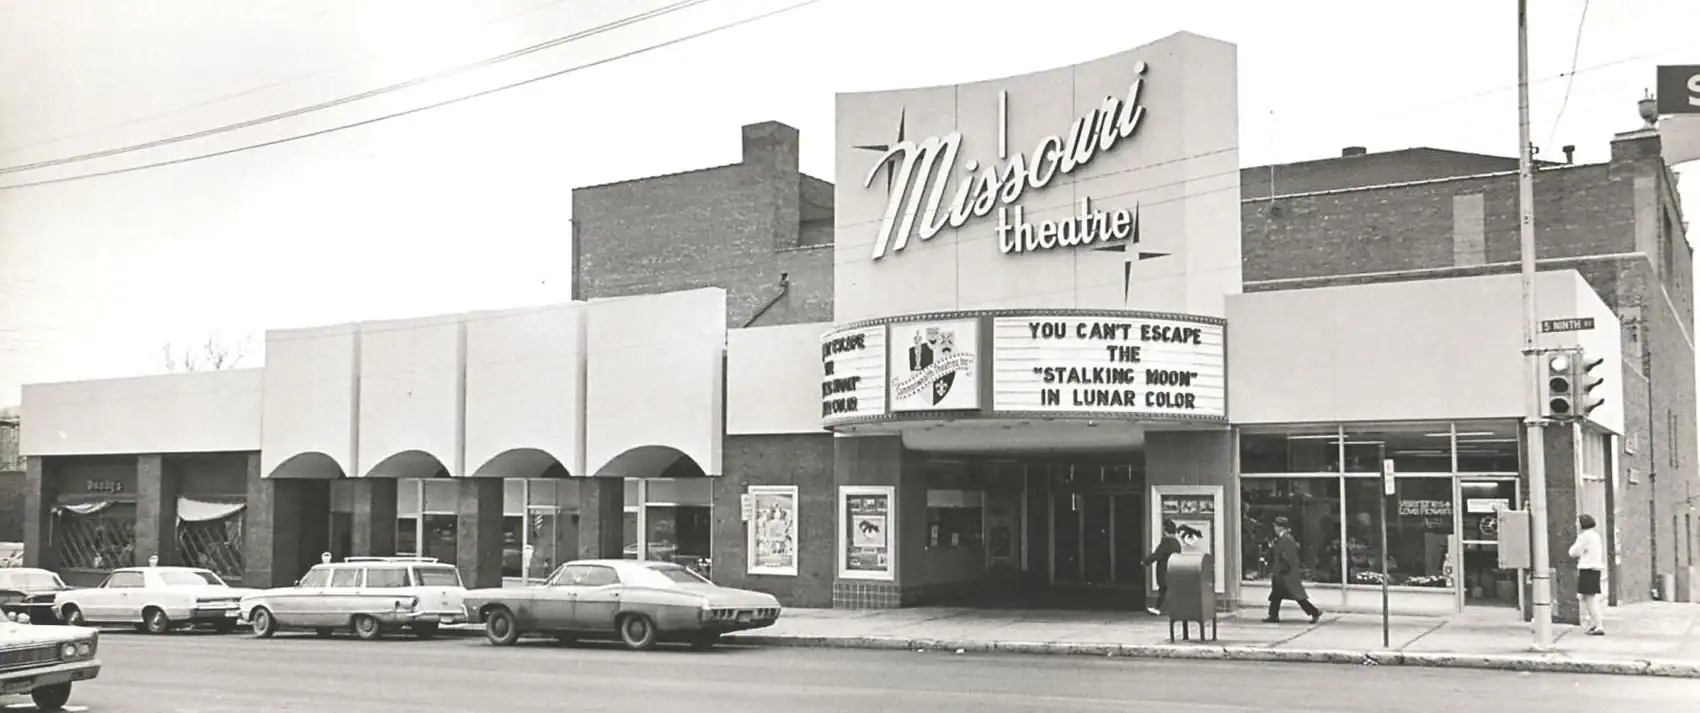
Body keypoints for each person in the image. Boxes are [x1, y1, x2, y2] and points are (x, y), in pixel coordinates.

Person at [1265, 516, 1323, 624]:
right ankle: (1273, 615)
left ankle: (1314, 611)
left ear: (1281, 527)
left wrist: (1282, 569)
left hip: (1286, 574)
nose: (1275, 528)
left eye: (1276, 526)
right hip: (1281, 573)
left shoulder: (1287, 539)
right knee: (1277, 594)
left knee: (1297, 596)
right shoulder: (1281, 539)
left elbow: (1288, 557)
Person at [1567, 514, 1606, 636]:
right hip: (1594, 569)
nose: (1576, 525)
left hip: (1587, 569)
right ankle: (1595, 623)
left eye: (1578, 522)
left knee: (1589, 598)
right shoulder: (1595, 536)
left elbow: (1574, 552)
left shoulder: (1584, 537)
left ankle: (1598, 625)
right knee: (1589, 598)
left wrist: (1573, 550)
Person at [1142, 520, 1183, 615]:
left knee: (1163, 589)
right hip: (1173, 568)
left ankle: (1158, 608)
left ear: (1165, 530)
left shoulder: (1166, 542)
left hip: (1164, 569)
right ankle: (1167, 608)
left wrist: (1145, 562)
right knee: (1168, 589)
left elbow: (1157, 554)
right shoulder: (1177, 543)